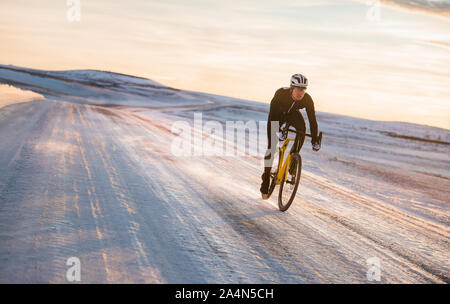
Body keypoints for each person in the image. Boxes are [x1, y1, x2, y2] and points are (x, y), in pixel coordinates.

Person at [260, 73, 321, 198]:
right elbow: (273, 116)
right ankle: (266, 178)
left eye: (303, 89)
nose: (301, 92)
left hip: (293, 114)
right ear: (292, 88)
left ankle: (293, 162)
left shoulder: (307, 99)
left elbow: (312, 120)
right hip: (278, 115)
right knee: (272, 147)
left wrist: (314, 139)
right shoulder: (280, 94)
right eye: (298, 89)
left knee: (301, 130)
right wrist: (278, 131)